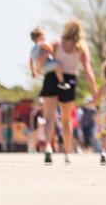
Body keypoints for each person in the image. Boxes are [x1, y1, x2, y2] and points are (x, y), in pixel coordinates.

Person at [39, 19, 98, 165]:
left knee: (49, 117)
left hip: (51, 77)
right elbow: (88, 71)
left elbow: (41, 58)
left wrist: (36, 69)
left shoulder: (56, 43)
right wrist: (95, 92)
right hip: (69, 80)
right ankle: (67, 153)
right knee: (66, 120)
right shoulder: (81, 48)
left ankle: (48, 146)